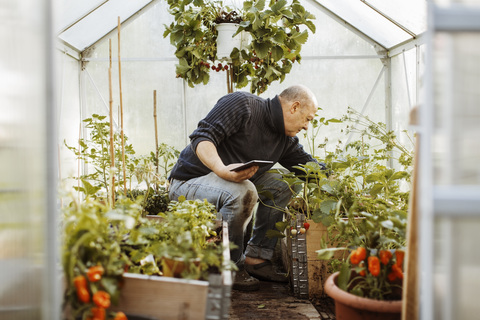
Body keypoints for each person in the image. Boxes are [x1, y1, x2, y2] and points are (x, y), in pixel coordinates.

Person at [168, 84, 322, 291]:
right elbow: (202, 137)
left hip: (229, 183)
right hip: (189, 183)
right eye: (308, 119)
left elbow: (309, 169)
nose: (306, 127)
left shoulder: (284, 140)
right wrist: (221, 169)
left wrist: (338, 184)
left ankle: (257, 258)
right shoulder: (243, 105)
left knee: (286, 183)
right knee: (244, 190)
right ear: (294, 107)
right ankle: (230, 267)